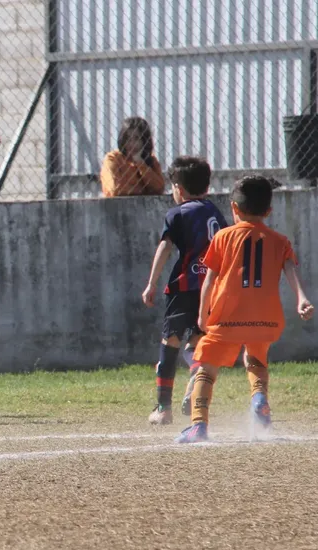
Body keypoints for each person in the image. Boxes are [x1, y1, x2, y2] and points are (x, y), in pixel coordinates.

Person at [176, 175, 314, 443]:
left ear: (234, 208)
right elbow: (290, 270)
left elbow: (210, 279)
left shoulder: (223, 237)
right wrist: (302, 299)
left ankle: (198, 425)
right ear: (269, 211)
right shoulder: (279, 240)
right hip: (266, 318)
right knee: (257, 360)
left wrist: (203, 312)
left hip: (227, 316)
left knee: (206, 367)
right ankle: (259, 398)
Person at [141, 156, 229, 425]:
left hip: (185, 286)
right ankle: (194, 383)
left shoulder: (178, 214)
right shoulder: (216, 212)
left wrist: (151, 283)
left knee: (170, 343)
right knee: (197, 341)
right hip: (211, 288)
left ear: (178, 187)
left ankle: (162, 409)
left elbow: (166, 247)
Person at [100, 117, 166, 197]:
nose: (132, 143)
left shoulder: (150, 160)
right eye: (128, 138)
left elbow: (159, 188)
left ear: (144, 140)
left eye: (136, 138)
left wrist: (141, 163)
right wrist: (143, 190)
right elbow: (115, 189)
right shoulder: (112, 159)